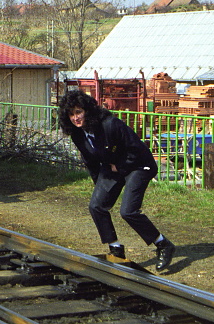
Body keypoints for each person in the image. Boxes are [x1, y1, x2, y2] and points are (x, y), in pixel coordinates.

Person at [58, 90, 175, 271]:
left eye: (79, 112)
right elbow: (91, 162)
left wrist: (120, 167)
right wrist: (100, 187)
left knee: (128, 211)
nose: (76, 118)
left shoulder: (111, 124)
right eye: (71, 114)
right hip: (113, 166)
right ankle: (115, 248)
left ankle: (163, 244)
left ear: (88, 110)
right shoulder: (78, 134)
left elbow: (136, 150)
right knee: (96, 205)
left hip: (138, 165)